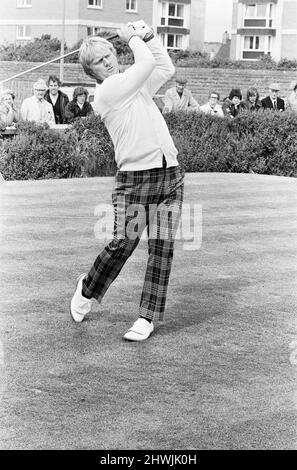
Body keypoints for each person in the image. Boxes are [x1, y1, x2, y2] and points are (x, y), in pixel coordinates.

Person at [71, 21, 184, 342]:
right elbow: (145, 63)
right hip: (136, 180)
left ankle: (146, 318)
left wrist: (147, 36)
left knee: (162, 248)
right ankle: (88, 287)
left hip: (171, 174)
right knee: (123, 244)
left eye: (109, 54)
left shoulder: (133, 86)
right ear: (91, 71)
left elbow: (164, 66)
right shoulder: (108, 91)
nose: (108, 60)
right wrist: (132, 37)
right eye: (99, 60)